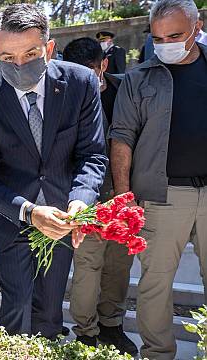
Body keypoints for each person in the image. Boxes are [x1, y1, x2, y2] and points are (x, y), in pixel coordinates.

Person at [0, 4, 107, 340]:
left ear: (48, 48)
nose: (18, 65)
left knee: (49, 309)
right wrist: (29, 212)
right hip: (11, 218)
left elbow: (92, 155)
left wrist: (80, 201)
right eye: (6, 57)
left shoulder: (80, 83)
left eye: (29, 54)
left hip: (61, 217)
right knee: (16, 307)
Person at [109, 0, 207, 358]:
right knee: (155, 285)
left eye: (175, 35)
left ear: (197, 28)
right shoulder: (138, 79)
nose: (165, 43)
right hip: (163, 197)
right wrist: (124, 197)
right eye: (157, 37)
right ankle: (157, 354)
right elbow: (121, 138)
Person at [63, 37, 137, 356]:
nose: (82, 79)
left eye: (89, 71)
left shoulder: (125, 91)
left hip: (124, 196)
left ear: (103, 66)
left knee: (119, 266)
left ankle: (111, 326)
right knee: (88, 266)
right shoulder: (64, 98)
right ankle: (86, 333)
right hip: (87, 198)